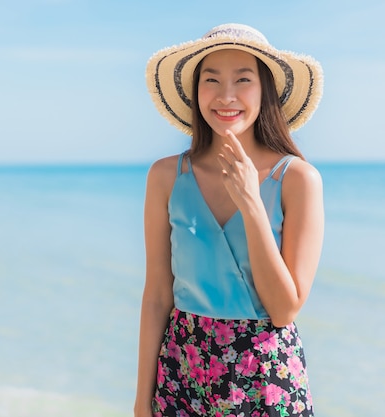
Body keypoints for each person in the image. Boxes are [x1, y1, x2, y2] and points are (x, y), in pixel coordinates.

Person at [135, 23, 324, 417]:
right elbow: (157, 297)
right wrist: (142, 398)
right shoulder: (166, 176)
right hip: (180, 373)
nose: (226, 96)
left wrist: (252, 205)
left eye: (243, 79)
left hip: (267, 381)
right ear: (195, 91)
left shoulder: (297, 180)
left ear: (264, 90)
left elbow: (284, 310)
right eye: (212, 80)